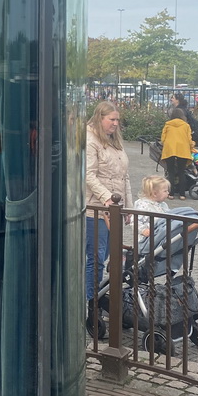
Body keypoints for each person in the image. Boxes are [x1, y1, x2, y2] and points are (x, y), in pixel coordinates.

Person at [85, 100, 133, 301]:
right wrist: (106, 198)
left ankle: (99, 295)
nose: (115, 124)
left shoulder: (115, 141)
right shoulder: (90, 141)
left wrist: (129, 207)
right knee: (96, 258)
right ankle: (90, 300)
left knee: (107, 256)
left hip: (115, 209)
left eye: (117, 120)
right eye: (111, 119)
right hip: (96, 209)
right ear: (100, 118)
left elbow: (125, 176)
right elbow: (88, 174)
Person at [160, 108, 194, 200]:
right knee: (181, 172)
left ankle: (171, 194)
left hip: (169, 150)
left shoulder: (168, 125)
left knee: (171, 172)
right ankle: (182, 194)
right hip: (182, 150)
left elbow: (163, 139)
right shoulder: (186, 126)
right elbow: (189, 139)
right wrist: (192, 147)